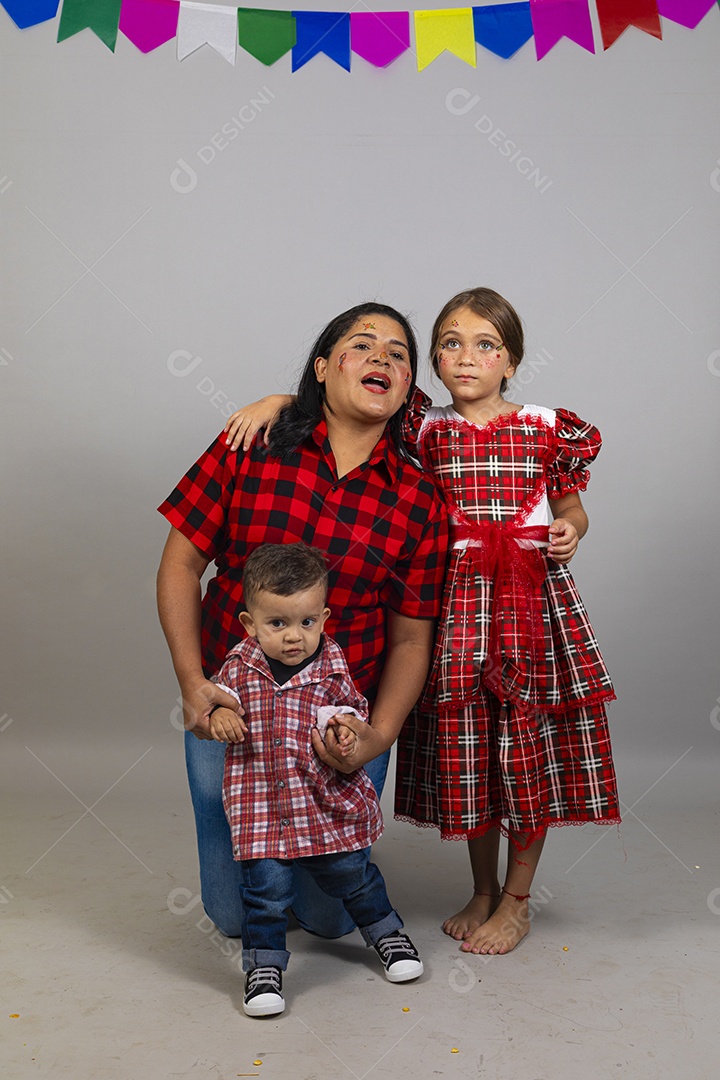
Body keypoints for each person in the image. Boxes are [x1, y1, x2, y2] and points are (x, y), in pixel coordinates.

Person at [226, 287, 620, 958]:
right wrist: (278, 401)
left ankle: (518, 900)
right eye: (450, 343)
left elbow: (573, 507)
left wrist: (568, 530)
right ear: (435, 360)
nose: (467, 357)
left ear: (512, 361)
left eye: (486, 345)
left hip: (528, 603)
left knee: (522, 749)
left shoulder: (547, 426)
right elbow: (349, 400)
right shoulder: (423, 426)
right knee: (473, 748)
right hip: (461, 609)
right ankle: (481, 888)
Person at [156, 302, 448, 942]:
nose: (383, 358)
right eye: (362, 345)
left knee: (329, 919)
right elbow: (180, 567)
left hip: (338, 715)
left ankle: (325, 861)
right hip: (231, 705)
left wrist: (381, 734)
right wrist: (190, 682)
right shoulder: (250, 445)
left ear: (407, 388)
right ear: (322, 368)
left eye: (399, 353)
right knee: (234, 920)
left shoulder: (419, 497)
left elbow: (410, 637)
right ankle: (267, 862)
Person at [209, 542, 423, 1016]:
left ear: (324, 618)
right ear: (250, 624)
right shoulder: (238, 667)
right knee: (262, 893)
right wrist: (218, 717)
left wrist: (346, 734)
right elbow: (212, 705)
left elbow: (349, 711)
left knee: (354, 877)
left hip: (321, 805)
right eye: (277, 623)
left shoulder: (331, 666)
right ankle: (263, 970)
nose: (293, 637)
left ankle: (388, 934)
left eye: (306, 622)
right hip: (262, 810)